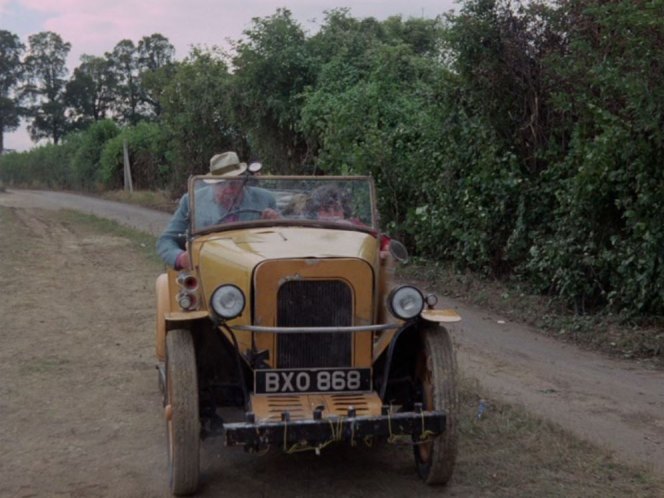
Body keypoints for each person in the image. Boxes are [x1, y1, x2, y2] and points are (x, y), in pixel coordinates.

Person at [156, 152, 278, 270]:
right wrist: (181, 258)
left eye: (234, 183)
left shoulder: (264, 199)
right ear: (212, 183)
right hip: (209, 270)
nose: (229, 189)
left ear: (242, 179)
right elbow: (166, 240)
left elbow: (288, 235)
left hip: (255, 267)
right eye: (221, 184)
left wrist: (278, 222)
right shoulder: (191, 201)